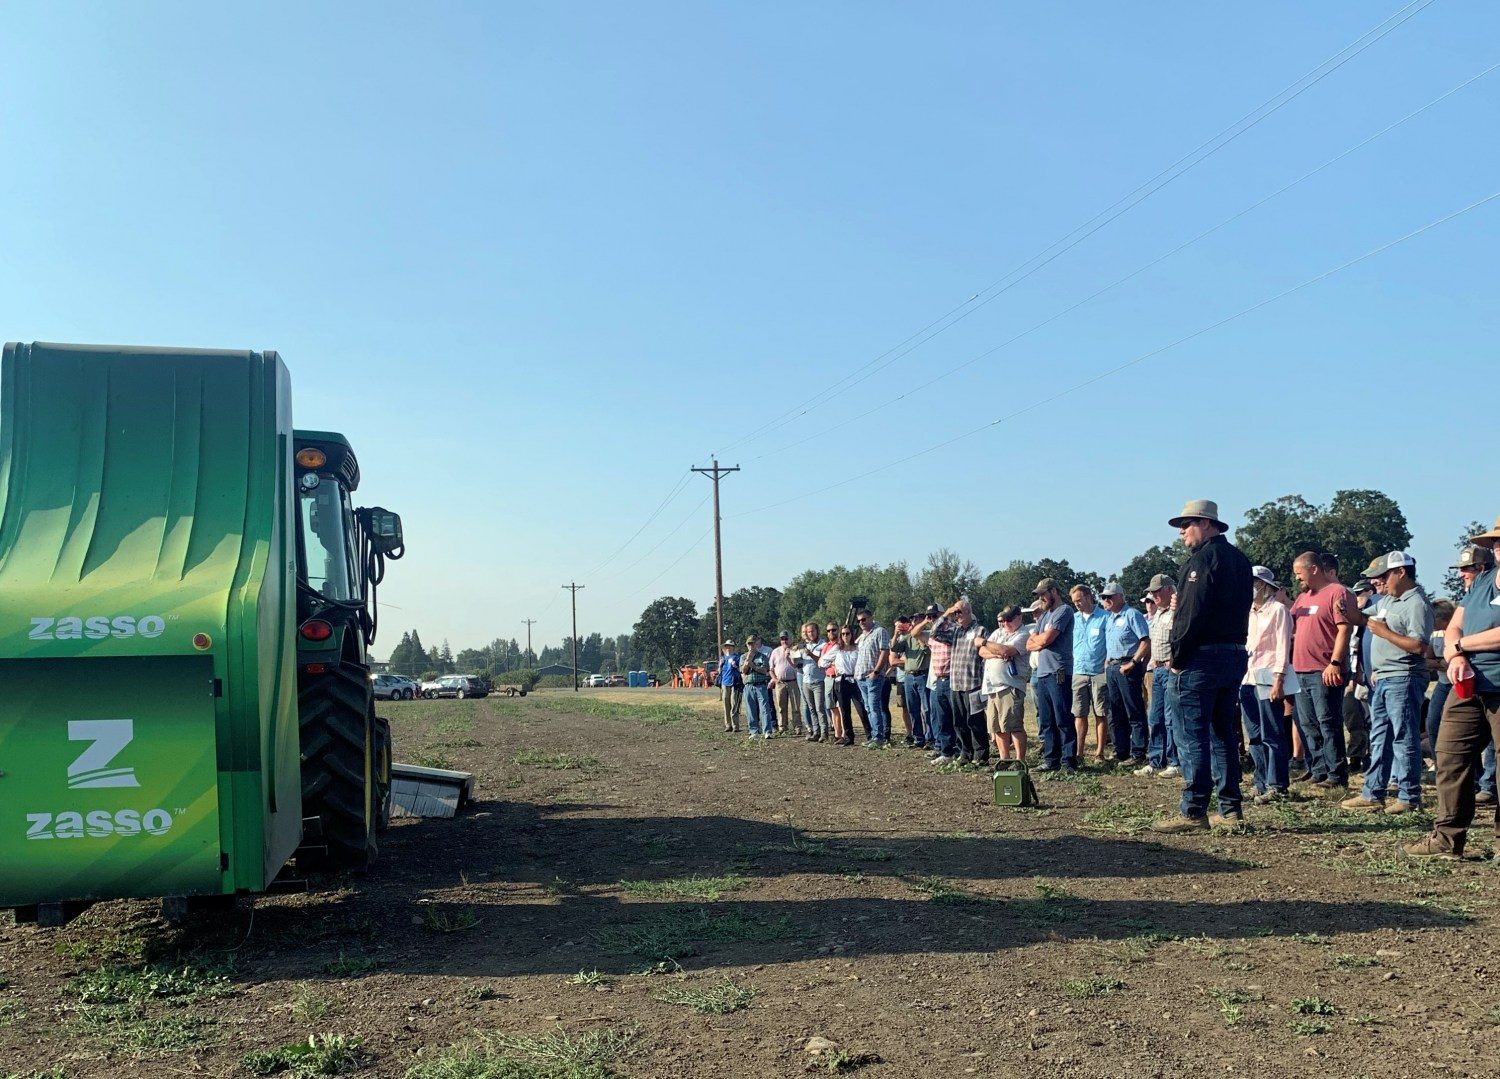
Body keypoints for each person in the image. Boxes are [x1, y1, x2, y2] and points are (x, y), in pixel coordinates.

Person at [1154, 499, 1253, 833]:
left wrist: (1177, 658)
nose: (1182, 531)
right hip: (1234, 652)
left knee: (1192, 734)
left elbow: (1190, 615)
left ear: (1209, 524)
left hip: (1202, 657)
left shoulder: (1202, 560)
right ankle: (1230, 809)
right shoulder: (1239, 560)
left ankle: (1194, 810)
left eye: (1188, 523)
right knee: (1223, 733)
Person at [1409, 517, 1500, 858]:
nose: (1497, 547)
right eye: (1494, 542)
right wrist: (1455, 654)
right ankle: (1447, 839)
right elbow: (1454, 626)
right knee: (1449, 755)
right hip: (1468, 682)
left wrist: (1463, 647)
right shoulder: (1483, 581)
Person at [1338, 552, 1433, 814]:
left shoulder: (1416, 604)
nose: (1380, 582)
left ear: (1401, 572)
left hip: (1403, 676)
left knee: (1403, 736)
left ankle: (1409, 796)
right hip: (1383, 678)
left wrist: (1385, 633)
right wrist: (1346, 609)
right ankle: (1373, 792)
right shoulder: (1387, 600)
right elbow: (1361, 618)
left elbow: (1419, 645)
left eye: (1384, 576)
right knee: (1380, 736)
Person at [1289, 551, 1357, 791]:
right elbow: (1291, 623)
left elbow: (1344, 629)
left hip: (1324, 670)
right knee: (1307, 723)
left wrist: (1336, 662)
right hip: (1300, 670)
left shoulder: (1338, 593)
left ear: (1314, 569)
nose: (1297, 578)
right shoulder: (1303, 598)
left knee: (1327, 722)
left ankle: (1336, 773)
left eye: (1300, 573)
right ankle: (1318, 769)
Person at [1241, 565, 1292, 802]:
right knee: (1254, 734)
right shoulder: (1248, 612)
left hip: (1268, 676)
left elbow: (1282, 647)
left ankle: (1277, 784)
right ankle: (1260, 782)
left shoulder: (1278, 610)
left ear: (1262, 585)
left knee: (1272, 732)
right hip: (1248, 677)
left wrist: (1278, 680)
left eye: (1251, 582)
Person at [1026, 578, 1077, 772]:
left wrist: (1040, 641)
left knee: (1062, 715)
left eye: (1043, 594)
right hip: (1042, 672)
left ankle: (1068, 761)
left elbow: (1047, 639)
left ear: (1054, 592)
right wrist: (1040, 641)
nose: (1041, 598)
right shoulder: (1045, 616)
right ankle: (1051, 759)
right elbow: (1030, 644)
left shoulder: (1064, 611)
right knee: (1046, 719)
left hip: (1058, 671)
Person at [1100, 581, 1151, 769]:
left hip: (1127, 665)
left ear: (1121, 596)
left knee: (1134, 710)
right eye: (1104, 597)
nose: (1106, 600)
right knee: (1115, 711)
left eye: (1109, 597)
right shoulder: (1109, 618)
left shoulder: (1132, 615)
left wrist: (1134, 662)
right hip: (1112, 667)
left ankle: (1138, 752)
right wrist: (1107, 661)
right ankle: (1121, 750)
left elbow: (1145, 641)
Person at [932, 598, 988, 765]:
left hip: (972, 683)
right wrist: (946, 615)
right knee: (959, 722)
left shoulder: (980, 630)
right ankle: (965, 753)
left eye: (959, 612)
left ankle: (981, 756)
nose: (957, 616)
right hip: (956, 684)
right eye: (955, 613)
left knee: (975, 722)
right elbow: (935, 633)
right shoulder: (955, 631)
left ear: (968, 612)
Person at [1140, 574, 1181, 778]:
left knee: (1170, 717)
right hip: (1156, 670)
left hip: (1170, 669)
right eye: (1152, 592)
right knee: (1155, 716)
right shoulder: (1158, 614)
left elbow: (1180, 639)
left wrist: (1173, 663)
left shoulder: (1176, 612)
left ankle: (1175, 761)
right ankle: (1156, 759)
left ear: (1169, 590)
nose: (1154, 595)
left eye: (1157, 591)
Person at [979, 604, 1031, 762]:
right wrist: (996, 652)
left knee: (1013, 726)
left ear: (1019, 617)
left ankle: (1020, 760)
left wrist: (985, 643)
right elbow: (982, 652)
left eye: (1009, 619)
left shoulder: (1023, 634)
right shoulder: (998, 632)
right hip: (992, 686)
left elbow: (1006, 651)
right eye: (1004, 620)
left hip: (1010, 685)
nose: (1005, 623)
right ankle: (1005, 759)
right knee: (998, 727)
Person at [1070, 584, 1111, 762]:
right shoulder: (1073, 619)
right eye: (1074, 602)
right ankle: (1079, 752)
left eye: (1079, 600)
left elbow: (1111, 642)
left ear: (1088, 596)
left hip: (1099, 671)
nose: (1077, 604)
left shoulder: (1104, 617)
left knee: (1100, 713)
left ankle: (1099, 752)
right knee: (1079, 713)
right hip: (1078, 671)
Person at [919, 603, 961, 765]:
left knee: (956, 717)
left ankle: (960, 750)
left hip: (952, 678)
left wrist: (947, 615)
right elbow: (915, 632)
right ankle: (946, 752)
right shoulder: (933, 632)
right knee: (942, 718)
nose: (932, 619)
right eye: (930, 616)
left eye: (934, 616)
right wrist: (928, 621)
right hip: (938, 679)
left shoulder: (953, 629)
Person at [853, 609, 891, 747]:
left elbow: (884, 651)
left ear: (871, 618)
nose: (861, 622)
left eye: (864, 619)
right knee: (869, 707)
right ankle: (874, 736)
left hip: (873, 676)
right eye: (859, 621)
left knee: (874, 707)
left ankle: (879, 738)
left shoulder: (880, 631)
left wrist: (876, 671)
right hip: (861, 677)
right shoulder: (862, 636)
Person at [891, 616, 931, 749]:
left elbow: (928, 651)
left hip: (922, 675)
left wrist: (919, 637)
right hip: (908, 676)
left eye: (916, 621)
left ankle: (930, 739)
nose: (913, 623)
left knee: (926, 709)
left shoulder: (927, 636)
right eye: (912, 621)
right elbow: (894, 648)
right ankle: (918, 738)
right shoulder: (907, 638)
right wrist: (896, 633)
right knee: (912, 709)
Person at [823, 627, 865, 746]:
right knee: (844, 710)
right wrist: (833, 665)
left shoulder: (858, 648)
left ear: (852, 634)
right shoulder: (837, 649)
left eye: (847, 633)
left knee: (861, 708)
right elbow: (822, 661)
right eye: (843, 634)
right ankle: (848, 737)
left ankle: (870, 734)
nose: (845, 636)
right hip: (841, 680)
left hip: (855, 679)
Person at [795, 622, 830, 742]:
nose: (810, 634)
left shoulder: (823, 645)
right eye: (808, 632)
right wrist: (792, 655)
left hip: (818, 680)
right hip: (806, 681)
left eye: (812, 631)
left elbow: (822, 661)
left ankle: (824, 733)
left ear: (817, 631)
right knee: (811, 708)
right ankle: (816, 732)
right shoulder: (805, 645)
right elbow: (797, 664)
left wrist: (810, 654)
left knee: (820, 708)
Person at [740, 635, 773, 740]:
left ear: (756, 645)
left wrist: (753, 665)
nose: (751, 646)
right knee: (750, 710)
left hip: (761, 685)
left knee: (764, 709)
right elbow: (743, 671)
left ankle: (767, 731)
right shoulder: (743, 657)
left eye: (753, 643)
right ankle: (754, 731)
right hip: (749, 686)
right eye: (749, 644)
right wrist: (747, 663)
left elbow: (765, 670)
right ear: (747, 645)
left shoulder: (762, 657)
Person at [770, 631, 803, 736]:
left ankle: (797, 727)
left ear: (791, 639)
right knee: (781, 707)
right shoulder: (775, 652)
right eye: (782, 639)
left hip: (793, 681)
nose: (784, 641)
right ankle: (782, 727)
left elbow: (797, 665)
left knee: (796, 707)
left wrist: (789, 654)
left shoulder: (795, 650)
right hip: (780, 683)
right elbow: (770, 669)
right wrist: (774, 679)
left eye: (786, 638)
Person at [717, 641, 743, 733]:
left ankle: (735, 725)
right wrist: (720, 665)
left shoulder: (738, 657)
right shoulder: (723, 658)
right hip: (725, 682)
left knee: (734, 704)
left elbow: (741, 669)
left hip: (734, 683)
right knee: (726, 704)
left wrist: (735, 666)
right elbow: (719, 671)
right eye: (727, 646)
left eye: (730, 646)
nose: (728, 647)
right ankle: (728, 725)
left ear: (733, 647)